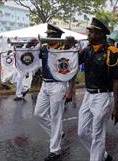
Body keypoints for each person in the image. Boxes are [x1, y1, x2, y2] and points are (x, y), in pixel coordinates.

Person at [77, 18, 118, 161]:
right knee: (82, 132)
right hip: (88, 95)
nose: (88, 35)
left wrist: (116, 107)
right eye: (89, 32)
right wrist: (67, 46)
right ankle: (103, 155)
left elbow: (116, 82)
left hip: (102, 96)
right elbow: (70, 62)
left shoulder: (112, 52)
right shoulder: (87, 50)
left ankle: (97, 157)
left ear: (101, 34)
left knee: (97, 135)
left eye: (92, 32)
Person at [31, 24, 74, 161]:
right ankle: (58, 133)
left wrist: (70, 90)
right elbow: (30, 57)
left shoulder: (64, 49)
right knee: (38, 114)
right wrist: (31, 44)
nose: (47, 37)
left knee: (56, 117)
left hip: (58, 85)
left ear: (56, 36)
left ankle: (55, 150)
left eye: (50, 35)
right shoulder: (43, 48)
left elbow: (72, 69)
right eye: (47, 34)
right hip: (45, 84)